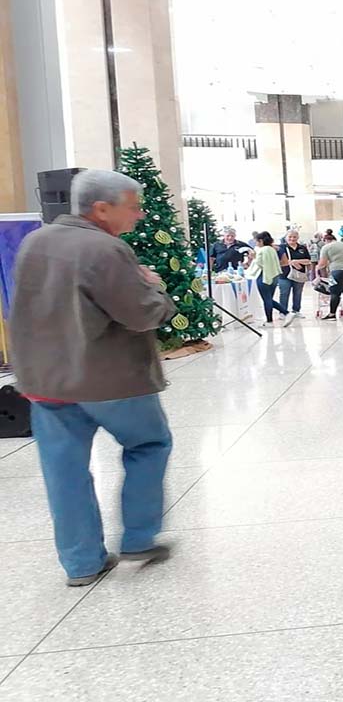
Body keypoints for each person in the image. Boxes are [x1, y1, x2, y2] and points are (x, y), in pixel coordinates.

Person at [9, 169, 176, 585]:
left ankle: (81, 563)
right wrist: (156, 290)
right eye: (132, 207)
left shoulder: (34, 241)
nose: (138, 216)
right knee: (149, 444)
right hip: (108, 380)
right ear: (101, 209)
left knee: (63, 471)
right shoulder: (105, 249)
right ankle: (138, 537)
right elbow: (139, 314)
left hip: (44, 381)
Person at [247, 231, 293, 327]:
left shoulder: (262, 250)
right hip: (274, 276)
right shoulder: (272, 249)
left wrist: (253, 257)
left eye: (257, 241)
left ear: (261, 241)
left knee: (267, 299)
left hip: (263, 276)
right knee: (269, 299)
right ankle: (273, 318)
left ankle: (278, 316)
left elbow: (259, 263)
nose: (256, 244)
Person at [318, 232, 343, 320]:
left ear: (325, 240)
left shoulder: (326, 247)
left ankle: (332, 314)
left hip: (337, 271)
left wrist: (317, 269)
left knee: (335, 293)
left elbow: (322, 263)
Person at [276, 230, 311, 317]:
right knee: (284, 293)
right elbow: (277, 261)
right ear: (286, 238)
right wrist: (290, 262)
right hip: (284, 275)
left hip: (299, 275)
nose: (292, 239)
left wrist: (297, 261)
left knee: (298, 293)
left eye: (294, 237)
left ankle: (296, 310)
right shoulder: (281, 248)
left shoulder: (302, 248)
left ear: (298, 238)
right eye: (290, 237)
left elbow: (308, 260)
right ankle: (283, 311)